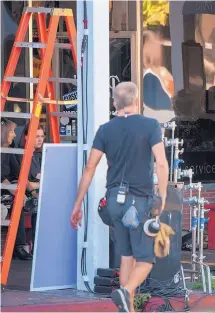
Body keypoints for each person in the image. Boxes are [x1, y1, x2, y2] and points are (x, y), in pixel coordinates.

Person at [70, 82, 169, 312]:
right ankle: (125, 292)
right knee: (145, 259)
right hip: (139, 201)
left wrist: (77, 205)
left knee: (127, 255)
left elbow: (89, 169)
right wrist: (162, 195)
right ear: (137, 101)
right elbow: (161, 163)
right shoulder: (150, 125)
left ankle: (127, 309)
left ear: (115, 103)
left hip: (114, 201)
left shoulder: (105, 129)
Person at [1, 118, 33, 260]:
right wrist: (14, 190)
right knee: (17, 200)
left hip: (6, 189)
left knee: (24, 201)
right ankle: (18, 246)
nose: (14, 134)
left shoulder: (8, 151)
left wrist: (31, 191)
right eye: (12, 131)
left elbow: (18, 172)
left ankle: (20, 245)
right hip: (3, 189)